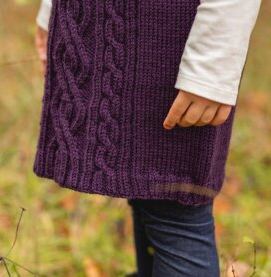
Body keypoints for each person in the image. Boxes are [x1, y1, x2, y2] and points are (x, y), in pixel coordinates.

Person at [33, 0, 262, 276]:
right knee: (145, 196)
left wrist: (213, 62)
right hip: (101, 25)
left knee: (175, 210)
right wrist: (52, 9)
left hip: (177, 43)